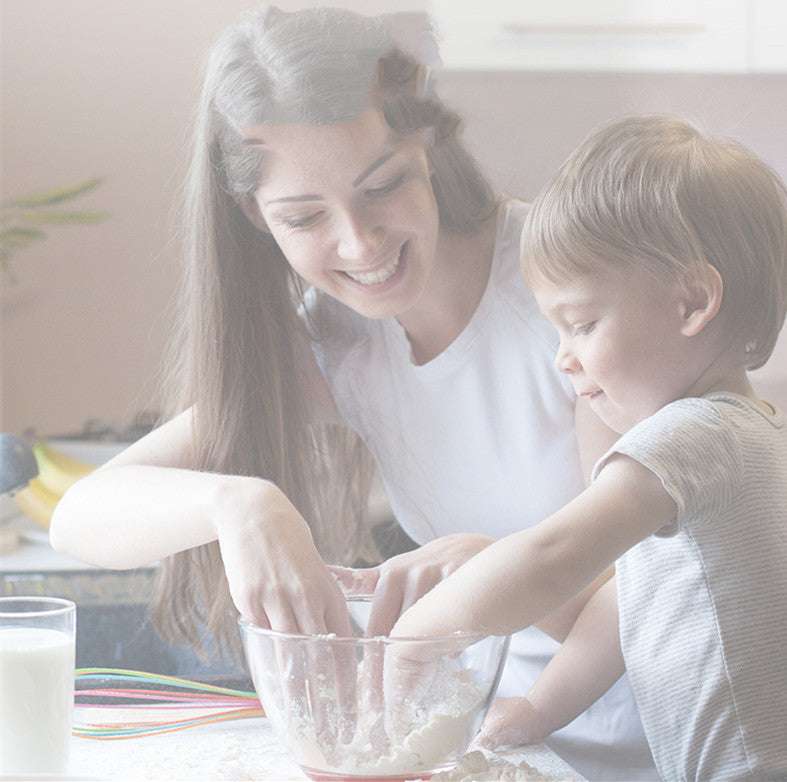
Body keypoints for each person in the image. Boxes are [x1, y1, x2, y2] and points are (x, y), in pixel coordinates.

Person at [49, 7, 655, 779]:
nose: (359, 244)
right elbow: (82, 515)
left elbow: (650, 596)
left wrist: (486, 570)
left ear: (426, 149)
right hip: (507, 747)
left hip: (653, 745)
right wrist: (238, 504)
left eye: (383, 185)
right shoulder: (339, 341)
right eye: (304, 217)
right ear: (254, 219)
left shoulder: (564, 295)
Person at [390, 115, 787, 780]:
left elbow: (553, 555)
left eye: (580, 324)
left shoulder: (692, 436)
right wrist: (537, 711)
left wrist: (414, 637)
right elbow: (618, 606)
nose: (562, 360)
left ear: (691, 300)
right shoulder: (751, 434)